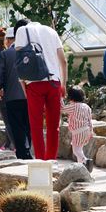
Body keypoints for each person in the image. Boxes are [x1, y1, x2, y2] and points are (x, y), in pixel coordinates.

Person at [14, 19, 68, 160]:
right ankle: (51, 160)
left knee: (36, 126)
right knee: (53, 126)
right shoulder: (51, 31)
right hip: (54, 82)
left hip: (34, 83)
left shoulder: (22, 31)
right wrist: (64, 84)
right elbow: (63, 61)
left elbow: (20, 63)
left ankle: (40, 161)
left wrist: (23, 85)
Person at [0, 27, 32, 159]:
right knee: (29, 124)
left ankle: (22, 152)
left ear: (10, 39)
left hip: (12, 97)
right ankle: (29, 150)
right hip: (30, 96)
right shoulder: (30, 51)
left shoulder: (6, 54)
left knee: (16, 125)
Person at [62, 86, 94, 171]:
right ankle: (81, 166)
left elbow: (62, 109)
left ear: (71, 97)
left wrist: (60, 98)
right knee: (79, 149)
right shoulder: (87, 107)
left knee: (76, 150)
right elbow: (89, 120)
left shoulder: (74, 106)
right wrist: (91, 131)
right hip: (86, 130)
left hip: (78, 131)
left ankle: (86, 161)